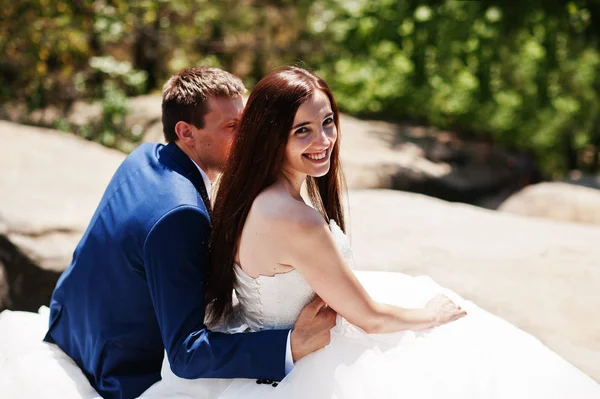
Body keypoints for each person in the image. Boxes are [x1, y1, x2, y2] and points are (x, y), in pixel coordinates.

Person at [140, 66, 600, 398]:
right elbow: (372, 318)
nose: (323, 141)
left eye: (327, 123)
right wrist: (431, 315)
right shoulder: (293, 218)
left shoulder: (240, 195)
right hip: (309, 362)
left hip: (271, 342)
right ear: (269, 136)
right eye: (302, 131)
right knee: (467, 347)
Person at [37, 66, 335, 399]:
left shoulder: (145, 157)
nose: (249, 135)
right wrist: (290, 345)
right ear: (186, 132)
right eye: (232, 126)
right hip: (122, 369)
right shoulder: (180, 215)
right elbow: (186, 354)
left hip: (70, 323)